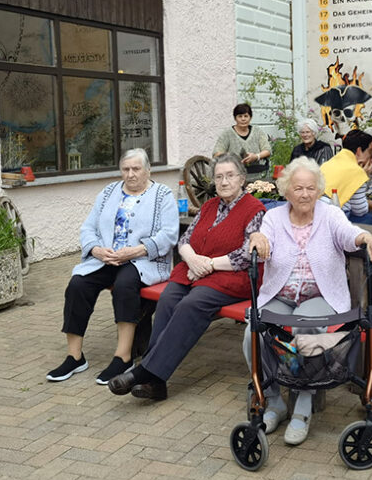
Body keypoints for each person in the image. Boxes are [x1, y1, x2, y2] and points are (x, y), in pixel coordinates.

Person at [243, 157, 372, 445]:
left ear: (319, 189)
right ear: (286, 190)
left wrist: (368, 238)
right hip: (280, 295)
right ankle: (274, 400)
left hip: (322, 295)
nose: (305, 194)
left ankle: (303, 405)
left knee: (306, 328)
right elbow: (263, 238)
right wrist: (258, 238)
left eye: (311, 188)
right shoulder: (274, 218)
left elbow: (349, 234)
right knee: (252, 334)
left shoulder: (330, 214)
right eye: (298, 188)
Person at [106, 154, 265, 400]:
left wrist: (208, 264)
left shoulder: (254, 210)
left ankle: (145, 372)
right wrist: (192, 260)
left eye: (230, 176)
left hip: (232, 277)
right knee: (168, 299)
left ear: (242, 179)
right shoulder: (209, 206)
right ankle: (156, 382)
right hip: (194, 271)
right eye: (219, 177)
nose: (224, 182)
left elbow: (247, 255)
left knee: (192, 304)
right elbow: (185, 240)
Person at [47, 148, 179, 384]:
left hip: (142, 260)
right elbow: (88, 228)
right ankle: (74, 357)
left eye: (136, 169)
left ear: (148, 170)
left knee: (125, 285)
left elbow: (169, 235)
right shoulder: (109, 192)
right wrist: (96, 250)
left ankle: (123, 357)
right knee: (78, 285)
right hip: (107, 258)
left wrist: (137, 250)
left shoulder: (162, 195)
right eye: (125, 169)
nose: (130, 174)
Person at [320, 128, 372, 224]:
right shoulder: (356, 171)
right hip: (331, 218)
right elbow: (360, 210)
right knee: (370, 220)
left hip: (315, 211)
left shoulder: (330, 163)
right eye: (369, 152)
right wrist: (364, 177)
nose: (371, 156)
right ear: (359, 151)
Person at [213, 103, 272, 182]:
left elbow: (267, 150)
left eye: (246, 116)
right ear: (235, 118)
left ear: (250, 117)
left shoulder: (258, 132)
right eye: (240, 116)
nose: (243, 119)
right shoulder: (227, 133)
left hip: (257, 175)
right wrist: (233, 158)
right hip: (234, 177)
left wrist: (256, 156)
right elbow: (216, 153)